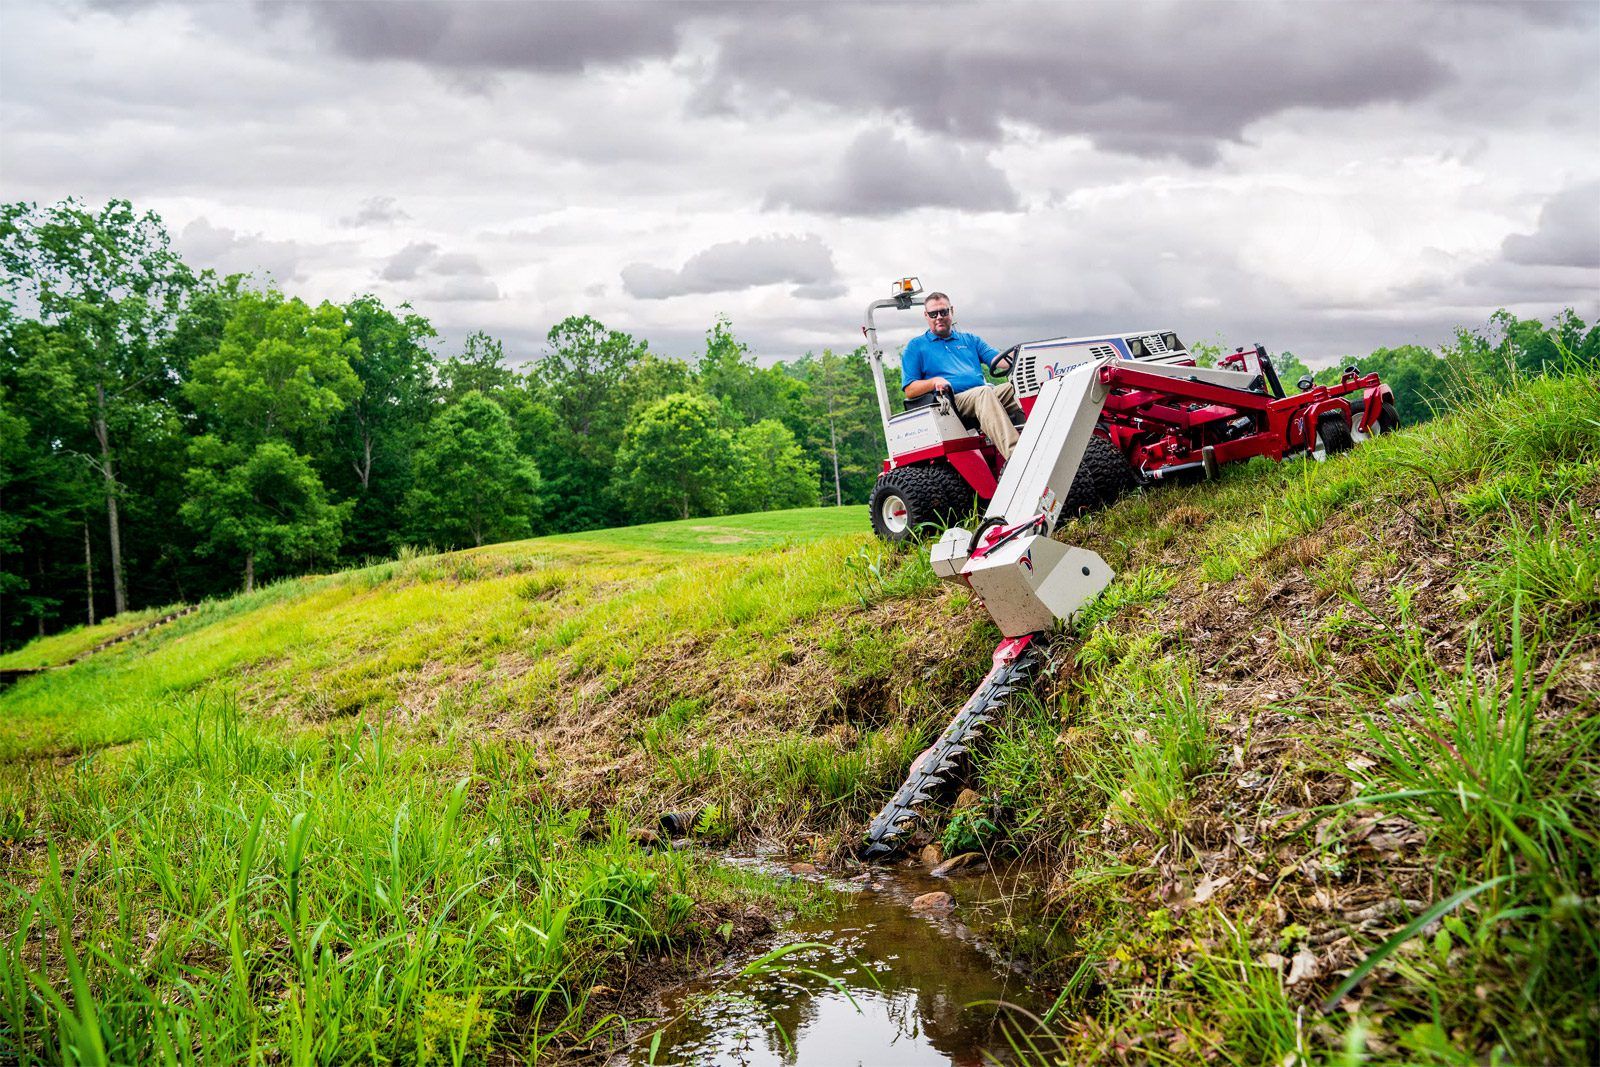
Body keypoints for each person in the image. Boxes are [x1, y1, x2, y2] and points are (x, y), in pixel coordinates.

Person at [900, 291, 1024, 459]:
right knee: (984, 392)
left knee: (1020, 387)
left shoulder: (970, 340)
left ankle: (1047, 441)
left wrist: (1023, 356)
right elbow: (910, 389)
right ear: (926, 315)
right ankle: (1019, 457)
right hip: (952, 401)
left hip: (983, 396)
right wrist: (933, 382)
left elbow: (999, 360)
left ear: (951, 311)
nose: (939, 317)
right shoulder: (916, 347)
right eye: (933, 314)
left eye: (943, 312)